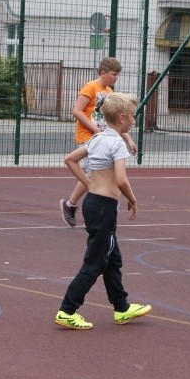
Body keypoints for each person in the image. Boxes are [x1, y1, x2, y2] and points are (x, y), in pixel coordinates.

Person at [54, 92, 152, 330]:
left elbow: (70, 159)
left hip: (92, 204)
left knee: (112, 258)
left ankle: (121, 307)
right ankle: (67, 310)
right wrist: (133, 199)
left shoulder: (98, 138)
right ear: (122, 118)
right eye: (132, 117)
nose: (134, 121)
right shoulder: (117, 143)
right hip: (104, 209)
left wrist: (89, 185)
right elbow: (120, 180)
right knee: (96, 261)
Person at [60, 57, 137, 227]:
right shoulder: (91, 87)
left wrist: (128, 139)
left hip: (103, 136)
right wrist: (95, 129)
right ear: (103, 73)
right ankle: (76, 204)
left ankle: (73, 203)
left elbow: (116, 121)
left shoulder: (109, 92)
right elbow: (77, 111)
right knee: (93, 173)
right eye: (114, 74)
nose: (116, 78)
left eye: (117, 75)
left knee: (98, 172)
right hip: (88, 136)